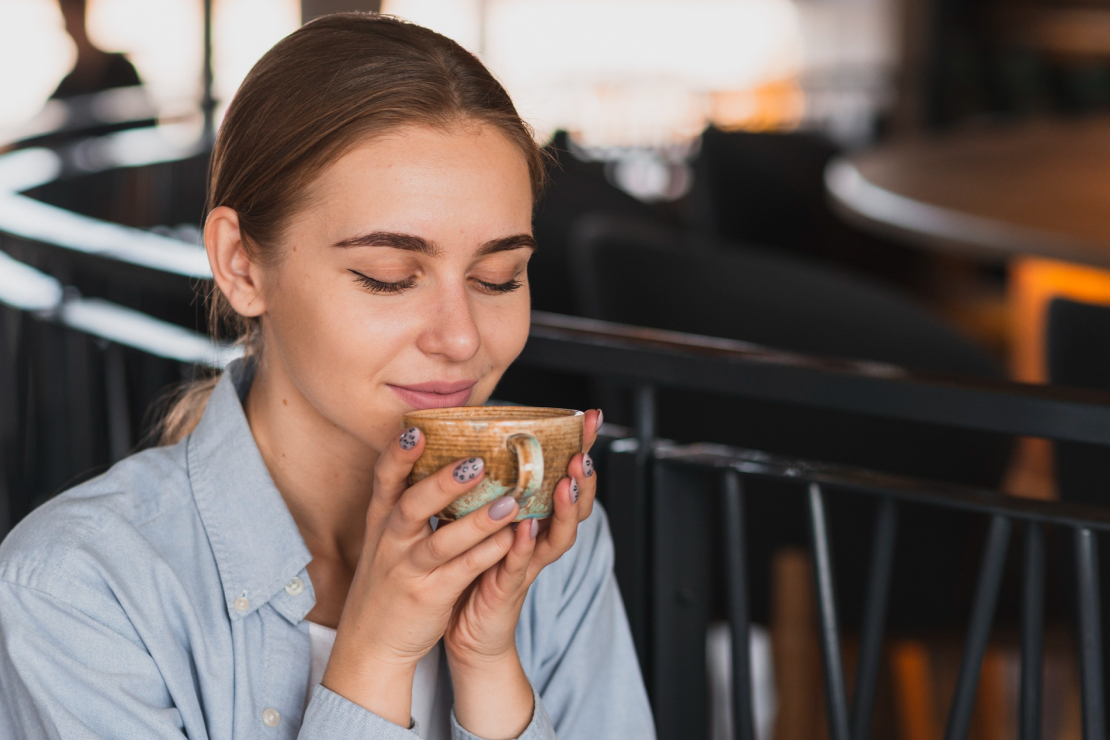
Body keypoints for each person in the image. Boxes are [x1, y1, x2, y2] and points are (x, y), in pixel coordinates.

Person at [0, 13, 654, 740]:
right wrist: (377, 651)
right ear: (242, 266)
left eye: (499, 278)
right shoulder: (78, 591)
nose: (462, 337)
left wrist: (488, 666)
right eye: (389, 277)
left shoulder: (547, 545)